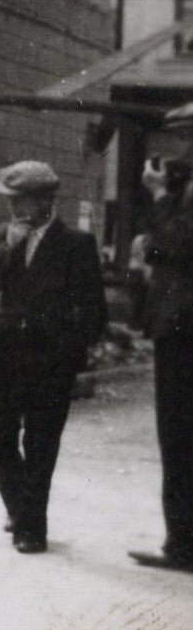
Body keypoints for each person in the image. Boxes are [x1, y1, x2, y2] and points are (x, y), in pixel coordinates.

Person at [0, 160, 108, 555]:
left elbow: (94, 312)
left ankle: (32, 528)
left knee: (41, 442)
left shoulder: (76, 245)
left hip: (50, 358)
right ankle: (20, 506)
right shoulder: (7, 236)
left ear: (46, 201)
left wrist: (69, 352)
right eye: (10, 201)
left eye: (21, 201)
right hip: (5, 351)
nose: (13, 209)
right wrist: (7, 246)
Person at [132, 155, 193, 572]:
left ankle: (183, 546)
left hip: (183, 328)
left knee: (177, 436)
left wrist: (158, 197)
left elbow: (172, 246)